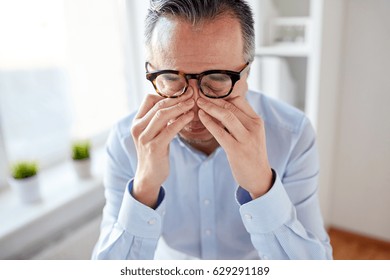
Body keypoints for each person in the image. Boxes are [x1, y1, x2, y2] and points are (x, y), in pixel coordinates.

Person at [92, 0, 332, 260]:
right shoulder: (126, 140)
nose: (195, 105)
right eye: (172, 78)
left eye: (217, 78)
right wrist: (144, 189)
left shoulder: (293, 135)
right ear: (151, 72)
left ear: (247, 71)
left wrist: (262, 186)